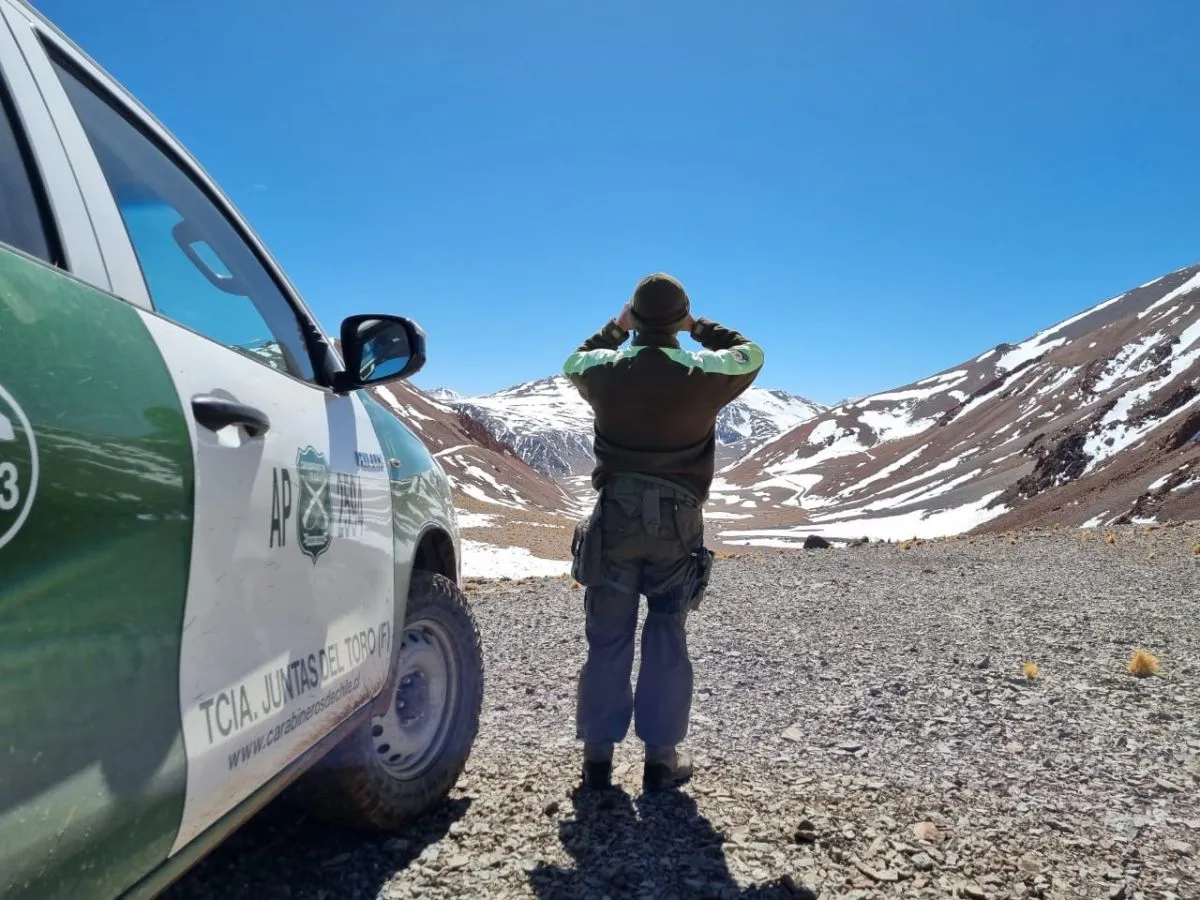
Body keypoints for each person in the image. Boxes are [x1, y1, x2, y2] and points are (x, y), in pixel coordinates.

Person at [562, 272, 765, 792]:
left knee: (607, 638)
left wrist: (614, 327)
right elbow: (751, 353)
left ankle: (597, 762)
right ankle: (660, 759)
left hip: (615, 518)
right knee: (667, 635)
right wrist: (700, 327)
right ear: (678, 321)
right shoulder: (703, 372)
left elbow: (574, 360)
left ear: (634, 320)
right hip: (678, 522)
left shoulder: (605, 371)